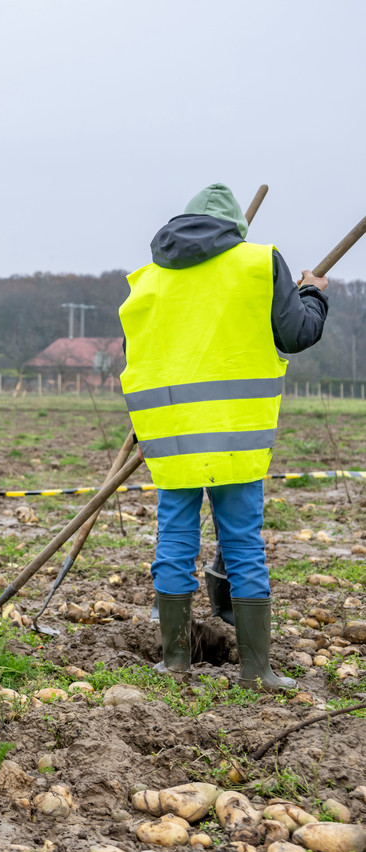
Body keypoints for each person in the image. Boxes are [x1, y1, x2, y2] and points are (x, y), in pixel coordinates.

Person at [120, 183, 328, 692]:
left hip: (172, 437)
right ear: (236, 227)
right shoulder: (260, 262)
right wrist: (314, 296)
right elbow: (296, 334)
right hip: (237, 435)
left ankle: (174, 663)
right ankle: (257, 672)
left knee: (174, 541)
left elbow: (136, 351)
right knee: (242, 543)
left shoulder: (148, 279)